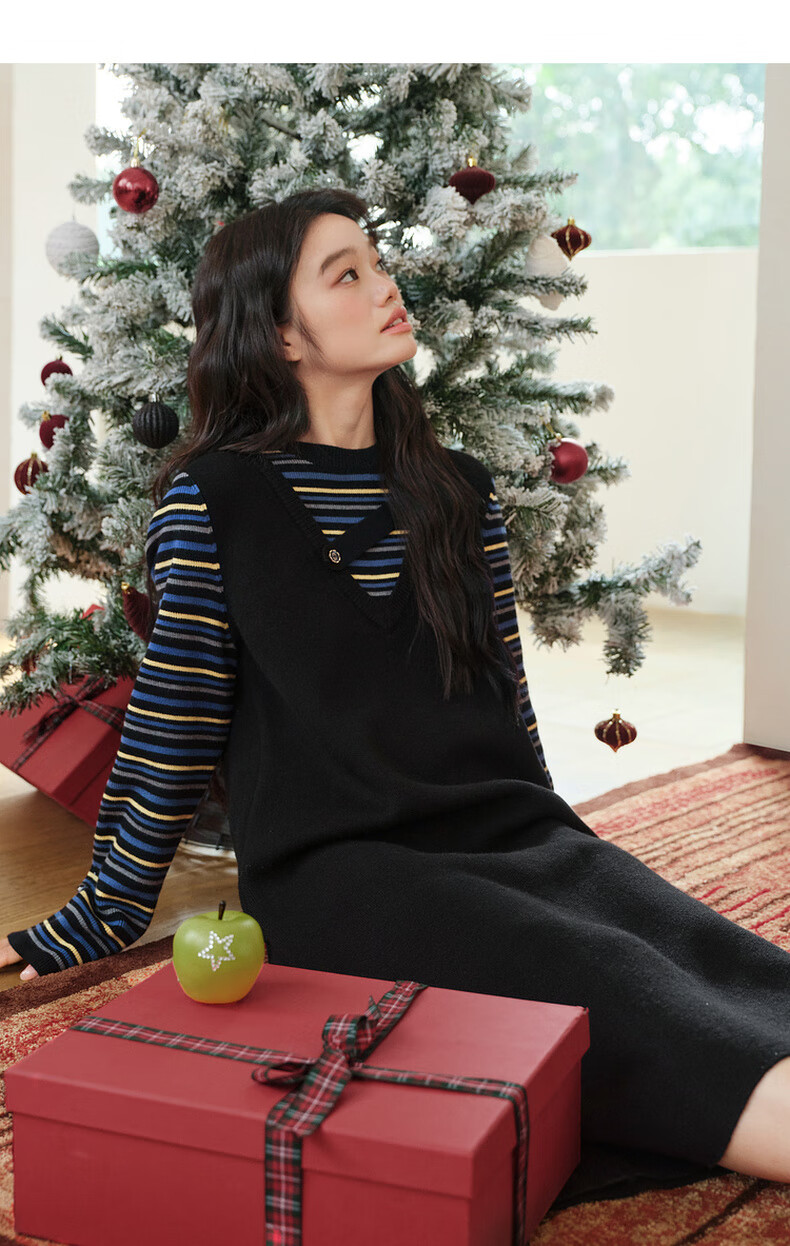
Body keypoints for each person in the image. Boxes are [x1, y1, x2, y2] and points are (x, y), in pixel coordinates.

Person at [3, 187, 790, 1205]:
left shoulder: (460, 491)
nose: (385, 286)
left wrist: (567, 852)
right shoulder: (209, 502)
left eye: (378, 263)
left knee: (708, 958)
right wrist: (103, 913)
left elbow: (506, 700)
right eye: (346, 275)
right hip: (344, 875)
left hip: (508, 829)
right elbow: (173, 727)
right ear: (280, 333)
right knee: (622, 998)